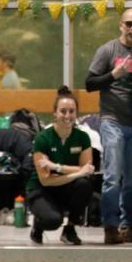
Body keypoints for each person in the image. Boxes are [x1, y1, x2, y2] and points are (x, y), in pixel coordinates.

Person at [85, 8, 132, 245]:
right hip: (111, 121)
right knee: (113, 176)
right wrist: (113, 74)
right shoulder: (108, 50)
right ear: (121, 25)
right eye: (129, 24)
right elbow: (90, 83)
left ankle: (128, 226)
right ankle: (110, 226)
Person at [27, 87, 95, 245]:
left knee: (84, 185)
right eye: (63, 111)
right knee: (53, 221)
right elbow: (46, 180)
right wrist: (77, 172)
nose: (67, 115)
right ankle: (38, 225)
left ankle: (70, 230)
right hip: (41, 190)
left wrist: (56, 167)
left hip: (65, 187)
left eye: (72, 111)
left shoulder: (82, 137)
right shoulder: (43, 138)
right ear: (55, 114)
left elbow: (88, 169)